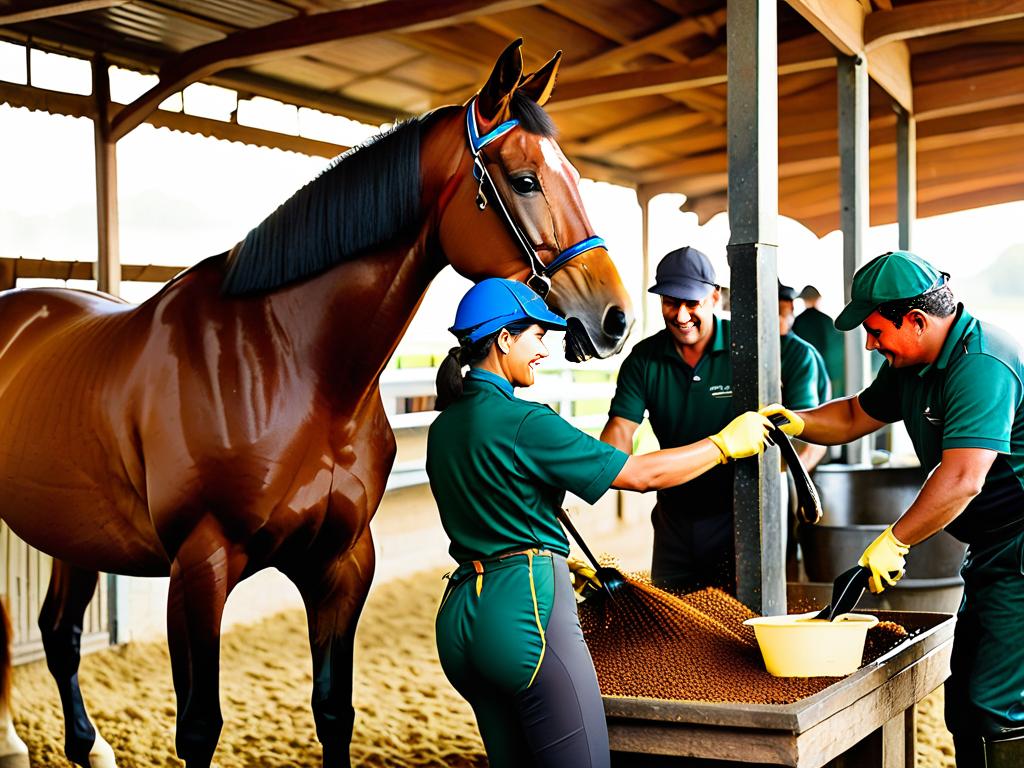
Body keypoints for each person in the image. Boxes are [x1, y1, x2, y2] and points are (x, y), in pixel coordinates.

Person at [427, 278, 773, 768]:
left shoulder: (443, 427)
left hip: (462, 618)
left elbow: (499, 509)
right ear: (505, 339)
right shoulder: (525, 421)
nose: (543, 350)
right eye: (537, 337)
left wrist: (561, 559)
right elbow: (639, 474)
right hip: (525, 609)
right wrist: (722, 444)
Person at [763, 250, 1024, 768]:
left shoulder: (981, 363)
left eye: (877, 330)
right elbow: (857, 413)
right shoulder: (913, 362)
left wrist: (895, 540)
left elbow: (961, 478)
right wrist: (794, 421)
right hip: (993, 545)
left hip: (1020, 546)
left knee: (997, 703)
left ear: (918, 320)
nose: (870, 342)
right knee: (967, 696)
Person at [599, 247, 832, 591]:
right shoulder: (644, 359)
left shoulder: (751, 350)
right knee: (675, 627)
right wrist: (593, 468)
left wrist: (786, 488)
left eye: (691, 303)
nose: (680, 315)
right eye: (670, 302)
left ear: (714, 297)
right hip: (673, 519)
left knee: (739, 628)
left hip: (742, 519)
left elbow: (808, 438)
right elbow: (619, 433)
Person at [793, 284, 846, 397]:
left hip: (802, 374)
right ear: (818, 299)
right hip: (828, 373)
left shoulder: (798, 321)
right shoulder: (826, 321)